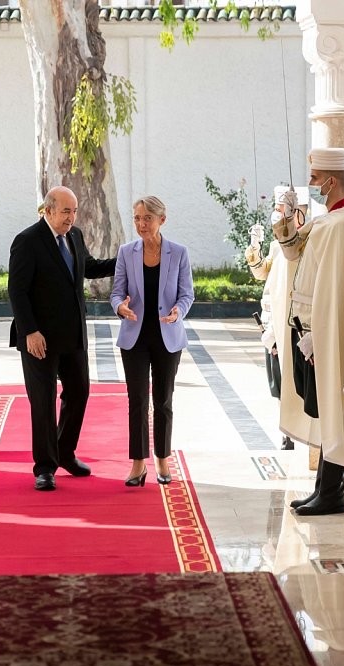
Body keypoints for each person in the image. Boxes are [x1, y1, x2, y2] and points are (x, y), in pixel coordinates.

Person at [8, 186, 116, 491]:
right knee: (42, 403)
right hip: (39, 338)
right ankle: (44, 468)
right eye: (66, 211)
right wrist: (30, 331)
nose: (72, 217)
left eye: (74, 211)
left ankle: (64, 453)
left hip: (72, 335)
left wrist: (127, 259)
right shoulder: (28, 241)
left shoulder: (75, 236)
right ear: (48, 210)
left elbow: (90, 268)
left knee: (79, 391)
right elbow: (17, 290)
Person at [285, 147, 344, 516]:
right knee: (327, 411)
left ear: (331, 181)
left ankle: (331, 493)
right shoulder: (332, 221)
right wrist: (286, 217)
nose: (311, 183)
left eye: (315, 177)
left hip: (324, 335)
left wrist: (317, 337)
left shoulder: (342, 226)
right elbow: (293, 252)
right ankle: (325, 487)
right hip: (313, 332)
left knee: (334, 411)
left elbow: (334, 293)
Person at [110, 196, 194, 486]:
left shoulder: (179, 253)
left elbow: (187, 294)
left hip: (167, 336)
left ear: (162, 219)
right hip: (134, 336)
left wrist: (178, 311)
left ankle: (162, 458)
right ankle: (137, 463)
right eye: (136, 218)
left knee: (163, 401)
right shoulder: (126, 252)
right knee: (137, 400)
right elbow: (116, 293)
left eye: (147, 218)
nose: (141, 224)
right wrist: (120, 306)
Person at [247, 186, 322, 456]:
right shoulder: (277, 243)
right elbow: (263, 273)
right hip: (272, 318)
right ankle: (284, 431)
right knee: (277, 379)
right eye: (277, 209)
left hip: (294, 320)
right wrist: (254, 248)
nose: (277, 214)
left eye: (283, 210)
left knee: (297, 379)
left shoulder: (305, 241)